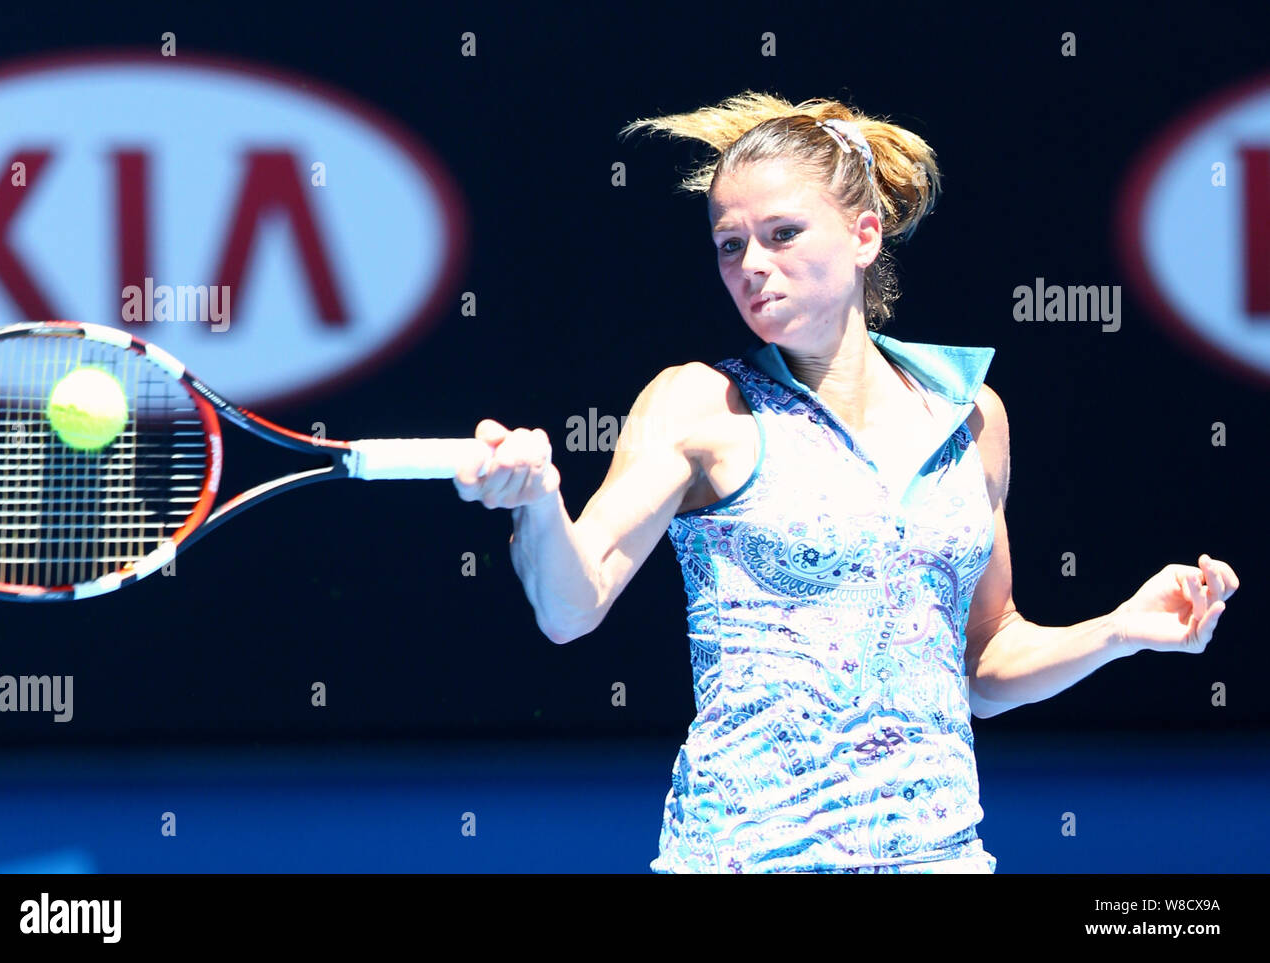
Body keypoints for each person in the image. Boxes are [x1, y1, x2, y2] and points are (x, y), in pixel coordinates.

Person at [451, 90, 1240, 873]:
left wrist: (1119, 630)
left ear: (865, 235)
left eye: (782, 233)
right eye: (729, 244)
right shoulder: (699, 405)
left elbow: (984, 660)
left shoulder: (972, 417)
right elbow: (570, 607)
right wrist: (539, 503)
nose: (751, 265)